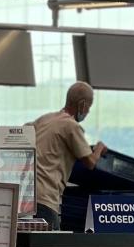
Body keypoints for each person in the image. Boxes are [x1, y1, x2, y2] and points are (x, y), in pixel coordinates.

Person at [32, 82, 107, 230]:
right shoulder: (71, 126)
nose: (88, 111)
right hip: (45, 201)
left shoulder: (45, 119)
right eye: (89, 107)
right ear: (82, 104)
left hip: (26, 197)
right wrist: (99, 148)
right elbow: (90, 162)